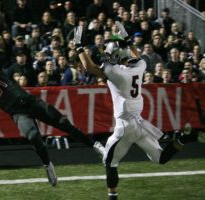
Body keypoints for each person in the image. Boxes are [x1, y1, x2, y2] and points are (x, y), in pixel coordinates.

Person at [0, 57, 105, 186]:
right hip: (18, 113)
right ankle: (47, 164)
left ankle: (95, 145)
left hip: (31, 102)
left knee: (65, 124)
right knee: (33, 136)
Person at [75, 22, 202, 200]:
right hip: (139, 124)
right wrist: (127, 40)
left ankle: (113, 198)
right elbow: (137, 55)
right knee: (161, 158)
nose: (106, 56)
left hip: (125, 126)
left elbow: (89, 67)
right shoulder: (140, 66)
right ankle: (184, 138)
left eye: (109, 54)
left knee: (109, 163)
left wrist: (78, 47)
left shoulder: (114, 72)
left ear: (116, 56)